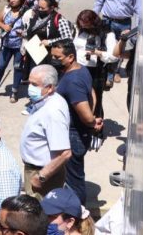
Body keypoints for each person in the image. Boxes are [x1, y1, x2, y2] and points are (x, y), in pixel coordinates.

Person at [50, 40, 103, 205]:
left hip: (73, 137)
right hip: (76, 134)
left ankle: (79, 214)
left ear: (70, 57)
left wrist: (92, 121)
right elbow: (91, 92)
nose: (53, 59)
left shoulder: (72, 81)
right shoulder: (82, 70)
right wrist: (94, 115)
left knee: (73, 180)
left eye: (57, 57)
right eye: (52, 55)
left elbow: (85, 116)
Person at [19, 65, 71, 200]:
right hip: (34, 170)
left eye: (35, 84)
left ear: (49, 88)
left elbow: (64, 154)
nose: (30, 87)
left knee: (38, 215)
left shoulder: (53, 111)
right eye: (29, 83)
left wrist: (41, 177)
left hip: (42, 175)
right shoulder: (43, 101)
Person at [93, 0, 143, 87]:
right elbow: (99, 2)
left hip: (123, 24)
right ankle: (103, 72)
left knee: (118, 51)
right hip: (106, 21)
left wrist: (137, 29)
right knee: (104, 47)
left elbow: (138, 10)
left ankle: (112, 74)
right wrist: (93, 17)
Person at [73, 10, 118, 119]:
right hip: (77, 68)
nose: (84, 27)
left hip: (95, 72)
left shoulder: (107, 33)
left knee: (95, 100)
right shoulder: (78, 29)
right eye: (81, 24)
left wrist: (98, 53)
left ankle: (96, 128)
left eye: (87, 26)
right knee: (78, 98)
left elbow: (114, 56)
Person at [0, 0, 27, 102]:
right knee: (0, 66)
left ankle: (14, 92)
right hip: (6, 45)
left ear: (21, 0)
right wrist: (4, 26)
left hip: (19, 47)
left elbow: (30, 28)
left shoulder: (26, 12)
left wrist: (23, 33)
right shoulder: (6, 9)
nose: (12, 0)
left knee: (17, 68)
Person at [24, 0, 74, 69]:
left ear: (51, 8)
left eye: (43, 8)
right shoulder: (35, 16)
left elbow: (68, 39)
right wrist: (23, 34)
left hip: (48, 59)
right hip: (33, 55)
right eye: (39, 7)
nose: (40, 10)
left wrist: (49, 42)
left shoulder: (59, 20)